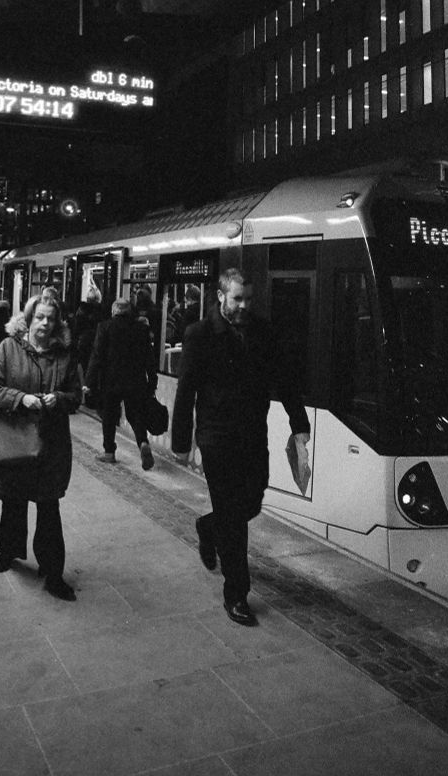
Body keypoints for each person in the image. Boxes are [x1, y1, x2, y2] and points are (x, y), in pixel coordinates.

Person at [171, 268, 311, 627]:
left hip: (253, 435)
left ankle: (207, 526)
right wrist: (181, 440)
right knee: (234, 518)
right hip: (216, 436)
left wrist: (299, 425)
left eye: (249, 299)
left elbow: (285, 378)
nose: (244, 305)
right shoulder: (199, 335)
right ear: (221, 297)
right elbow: (186, 389)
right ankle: (237, 593)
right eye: (237, 299)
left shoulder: (264, 332)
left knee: (251, 501)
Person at [0, 295, 81, 601]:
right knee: (13, 500)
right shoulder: (8, 348)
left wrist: (59, 399)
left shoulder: (64, 354)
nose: (45, 324)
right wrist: (21, 399)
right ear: (28, 319)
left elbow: (76, 395)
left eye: (51, 318)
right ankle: (8, 552)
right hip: (15, 440)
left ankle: (53, 573)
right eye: (39, 317)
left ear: (58, 322)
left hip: (51, 445)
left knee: (49, 508)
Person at [85, 297, 158, 470]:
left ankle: (109, 452)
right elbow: (150, 358)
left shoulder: (105, 327)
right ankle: (142, 443)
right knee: (135, 415)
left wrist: (89, 381)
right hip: (136, 381)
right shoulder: (141, 329)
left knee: (109, 416)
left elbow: (97, 356)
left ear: (114, 311)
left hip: (111, 381)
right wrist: (152, 381)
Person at [73, 284, 103, 375]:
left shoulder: (81, 309)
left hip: (83, 341)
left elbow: (77, 326)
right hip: (98, 341)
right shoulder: (102, 311)